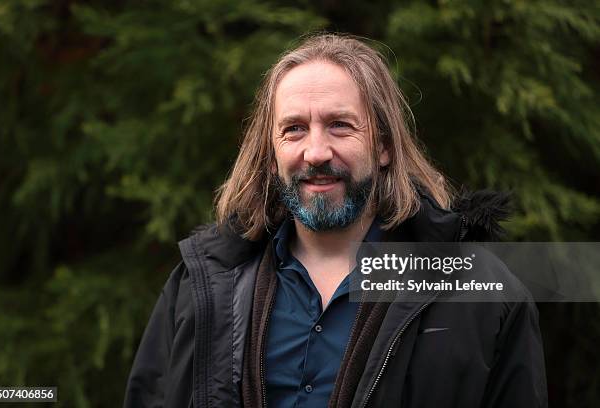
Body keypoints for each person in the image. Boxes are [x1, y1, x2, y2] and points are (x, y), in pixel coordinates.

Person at [124, 34, 547, 408]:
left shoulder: (483, 297)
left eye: (340, 126)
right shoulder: (200, 287)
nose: (316, 152)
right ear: (271, 156)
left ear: (383, 146)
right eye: (293, 130)